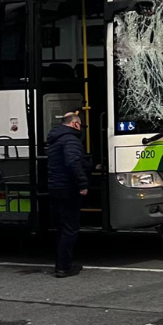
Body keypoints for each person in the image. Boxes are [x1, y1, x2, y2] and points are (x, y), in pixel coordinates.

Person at [46, 110, 92, 278]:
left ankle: (61, 264)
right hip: (68, 188)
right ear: (75, 124)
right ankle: (64, 267)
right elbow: (73, 162)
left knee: (62, 228)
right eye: (79, 125)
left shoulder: (55, 139)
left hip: (56, 187)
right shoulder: (70, 139)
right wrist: (83, 184)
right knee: (70, 229)